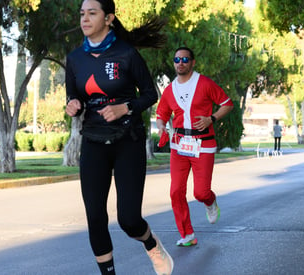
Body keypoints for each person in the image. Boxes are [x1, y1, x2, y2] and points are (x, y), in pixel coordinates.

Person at [65, 0, 173, 274]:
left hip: (128, 140)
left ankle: (151, 243)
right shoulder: (75, 59)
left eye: (92, 13)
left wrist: (126, 106)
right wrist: (73, 104)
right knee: (95, 217)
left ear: (109, 18)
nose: (85, 19)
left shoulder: (127, 54)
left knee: (128, 219)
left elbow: (150, 94)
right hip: (93, 141)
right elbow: (73, 95)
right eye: (82, 14)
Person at [156, 47, 234, 247]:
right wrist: (161, 126)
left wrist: (212, 118)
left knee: (200, 192)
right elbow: (162, 113)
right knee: (176, 191)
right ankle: (187, 234)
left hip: (204, 144)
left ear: (192, 62)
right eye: (176, 59)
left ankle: (210, 201)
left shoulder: (205, 83)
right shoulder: (170, 89)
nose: (180, 62)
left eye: (184, 59)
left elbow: (227, 103)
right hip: (179, 145)